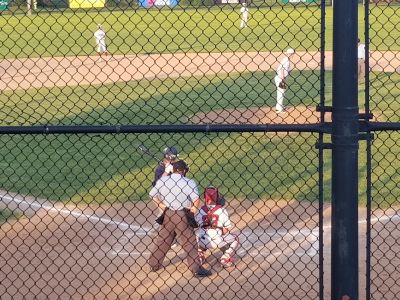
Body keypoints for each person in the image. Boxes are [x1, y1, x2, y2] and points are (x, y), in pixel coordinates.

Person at [148, 160, 212, 277]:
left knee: (163, 239)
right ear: (183, 171)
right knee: (189, 242)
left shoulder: (163, 180)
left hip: (168, 214)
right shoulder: (188, 182)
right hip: (182, 215)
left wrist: (161, 206)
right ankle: (196, 269)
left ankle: (154, 264)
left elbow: (152, 194)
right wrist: (192, 210)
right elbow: (196, 199)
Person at [195, 186, 240, 268]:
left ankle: (199, 255)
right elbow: (226, 230)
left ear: (205, 197)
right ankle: (225, 258)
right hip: (217, 242)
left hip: (202, 241)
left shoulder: (200, 210)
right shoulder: (222, 210)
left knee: (196, 233)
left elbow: (195, 226)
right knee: (235, 238)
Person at [274, 48, 295, 113]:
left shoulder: (286, 59)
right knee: (281, 93)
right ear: (290, 54)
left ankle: (279, 106)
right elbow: (281, 70)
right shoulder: (286, 60)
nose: (292, 55)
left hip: (280, 78)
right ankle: (279, 109)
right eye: (292, 54)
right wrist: (283, 80)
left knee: (281, 92)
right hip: (280, 78)